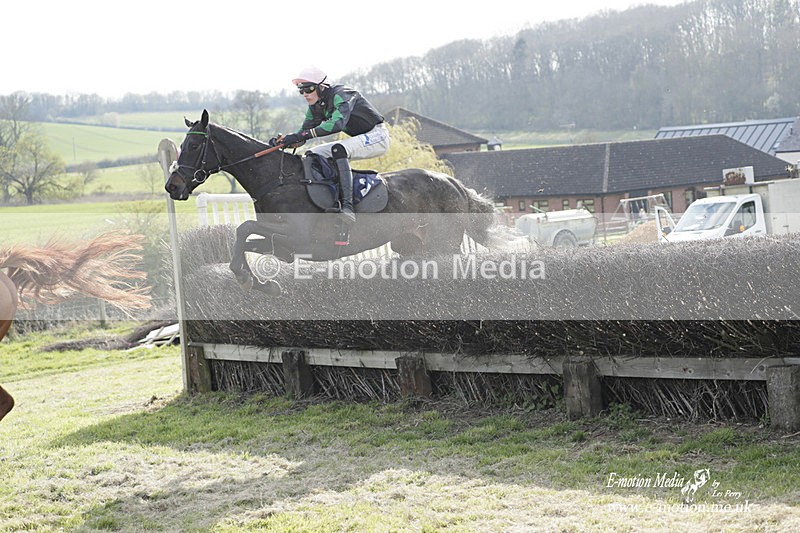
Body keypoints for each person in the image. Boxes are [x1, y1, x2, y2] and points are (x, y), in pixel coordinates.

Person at [271, 67, 390, 223]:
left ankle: (348, 207)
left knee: (338, 149)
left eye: (309, 89)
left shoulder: (342, 94)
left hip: (378, 136)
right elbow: (303, 134)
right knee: (313, 153)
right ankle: (332, 197)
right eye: (302, 91)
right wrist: (286, 141)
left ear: (322, 86)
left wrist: (301, 135)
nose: (305, 94)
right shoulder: (315, 106)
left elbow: (336, 124)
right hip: (361, 137)